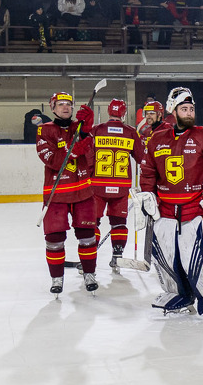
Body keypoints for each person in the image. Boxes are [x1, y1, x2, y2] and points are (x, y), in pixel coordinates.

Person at [136, 87, 203, 318]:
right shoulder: (157, 138)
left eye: (191, 108)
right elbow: (148, 171)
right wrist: (148, 196)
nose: (190, 112)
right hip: (166, 209)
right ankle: (180, 294)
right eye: (184, 109)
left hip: (199, 206)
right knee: (169, 255)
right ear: (173, 111)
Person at [35, 92, 98, 296]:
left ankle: (89, 275)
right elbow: (51, 160)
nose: (65, 107)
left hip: (82, 191)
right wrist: (72, 151)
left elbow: (91, 154)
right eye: (60, 104)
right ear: (52, 108)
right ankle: (57, 278)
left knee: (87, 236)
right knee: (54, 238)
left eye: (68, 104)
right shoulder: (44, 130)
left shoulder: (79, 127)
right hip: (57, 194)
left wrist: (87, 131)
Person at [88, 98, 145, 271]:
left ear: (108, 111)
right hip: (121, 187)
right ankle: (117, 257)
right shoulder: (130, 132)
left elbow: (88, 157)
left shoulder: (96, 130)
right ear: (124, 113)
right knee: (119, 222)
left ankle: (89, 256)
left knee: (93, 223)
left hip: (97, 185)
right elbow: (142, 158)